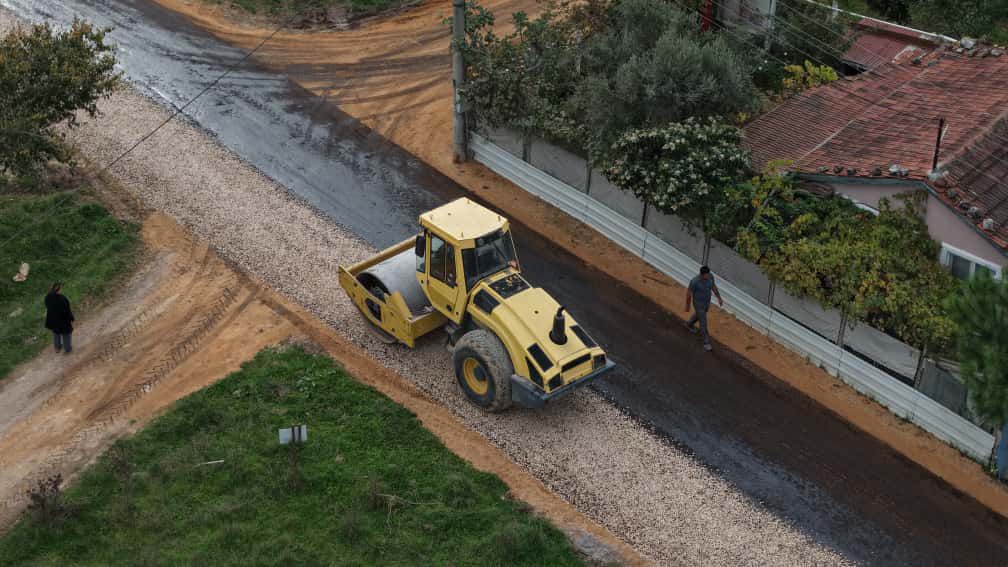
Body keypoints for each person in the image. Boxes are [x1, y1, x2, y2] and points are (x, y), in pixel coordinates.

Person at [685, 265, 723, 351]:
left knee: (699, 316)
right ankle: (706, 342)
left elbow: (713, 287)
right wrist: (687, 306)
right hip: (698, 304)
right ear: (702, 274)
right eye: (706, 274)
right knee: (703, 322)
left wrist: (719, 298)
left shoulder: (710, 277)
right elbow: (688, 294)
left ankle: (689, 324)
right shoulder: (694, 281)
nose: (708, 276)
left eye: (708, 274)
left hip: (706, 303)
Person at [44, 282, 74, 354]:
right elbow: (67, 310)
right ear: (58, 290)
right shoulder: (62, 299)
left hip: (53, 320)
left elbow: (48, 306)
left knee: (56, 333)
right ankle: (67, 349)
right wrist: (71, 318)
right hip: (63, 321)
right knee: (66, 334)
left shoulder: (47, 297)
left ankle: (57, 348)